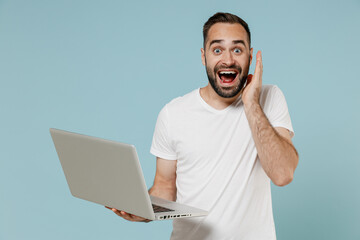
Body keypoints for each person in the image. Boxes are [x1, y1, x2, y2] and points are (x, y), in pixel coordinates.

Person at [106, 12, 299, 239]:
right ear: (203, 56)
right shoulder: (173, 113)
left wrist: (251, 104)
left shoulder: (269, 98)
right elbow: (164, 189)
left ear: (250, 55)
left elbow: (283, 174)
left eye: (237, 49)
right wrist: (139, 209)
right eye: (217, 50)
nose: (228, 60)